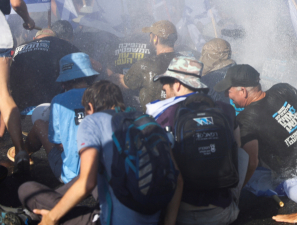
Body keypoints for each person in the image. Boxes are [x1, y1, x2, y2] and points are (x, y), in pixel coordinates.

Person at [18, 80, 183, 225]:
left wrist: (51, 219)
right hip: (152, 214)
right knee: (98, 171)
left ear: (90, 107)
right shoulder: (147, 121)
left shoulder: (93, 121)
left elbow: (86, 183)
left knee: (26, 190)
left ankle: (37, 216)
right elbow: (178, 179)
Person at [148, 57, 247, 225]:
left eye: (165, 82)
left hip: (180, 214)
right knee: (242, 153)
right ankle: (233, 202)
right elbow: (236, 147)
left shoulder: (161, 114)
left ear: (178, 84)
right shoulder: (225, 109)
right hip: (222, 213)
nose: (163, 87)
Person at [214, 64, 297, 186]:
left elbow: (252, 163)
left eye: (228, 91)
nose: (226, 95)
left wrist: (237, 190)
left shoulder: (245, 120)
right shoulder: (283, 89)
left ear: (243, 91)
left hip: (293, 178)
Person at [21, 53, 98, 184]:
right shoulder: (102, 95)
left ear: (64, 82)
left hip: (71, 176)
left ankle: (22, 153)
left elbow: (57, 142)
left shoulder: (59, 101)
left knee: (40, 124)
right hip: (100, 174)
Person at [0, 0, 37, 173]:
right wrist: (28, 20)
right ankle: (21, 151)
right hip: (0, 29)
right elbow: (15, 2)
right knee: (3, 92)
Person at [10, 26, 80, 114]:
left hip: (19, 109)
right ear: (56, 38)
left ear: (34, 38)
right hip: (49, 108)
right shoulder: (60, 43)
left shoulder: (20, 47)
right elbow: (82, 63)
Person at [123, 20, 179, 109]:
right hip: (181, 115)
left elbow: (128, 83)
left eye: (150, 36)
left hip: (154, 119)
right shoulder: (188, 62)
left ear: (155, 38)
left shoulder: (144, 65)